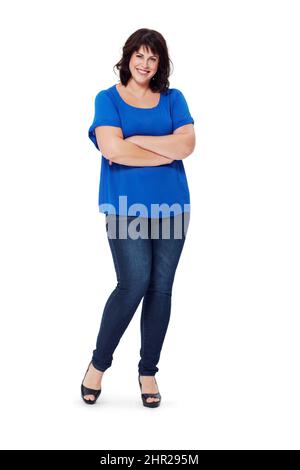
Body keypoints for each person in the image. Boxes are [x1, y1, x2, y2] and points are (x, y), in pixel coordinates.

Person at [81, 28, 195, 407]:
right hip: (124, 207)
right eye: (139, 56)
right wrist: (164, 149)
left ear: (160, 63)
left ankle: (148, 372)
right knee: (132, 285)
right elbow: (112, 150)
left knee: (160, 289)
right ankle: (98, 365)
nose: (145, 64)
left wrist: (136, 141)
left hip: (172, 208)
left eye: (153, 58)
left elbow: (187, 144)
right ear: (127, 57)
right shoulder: (107, 99)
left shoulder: (173, 98)